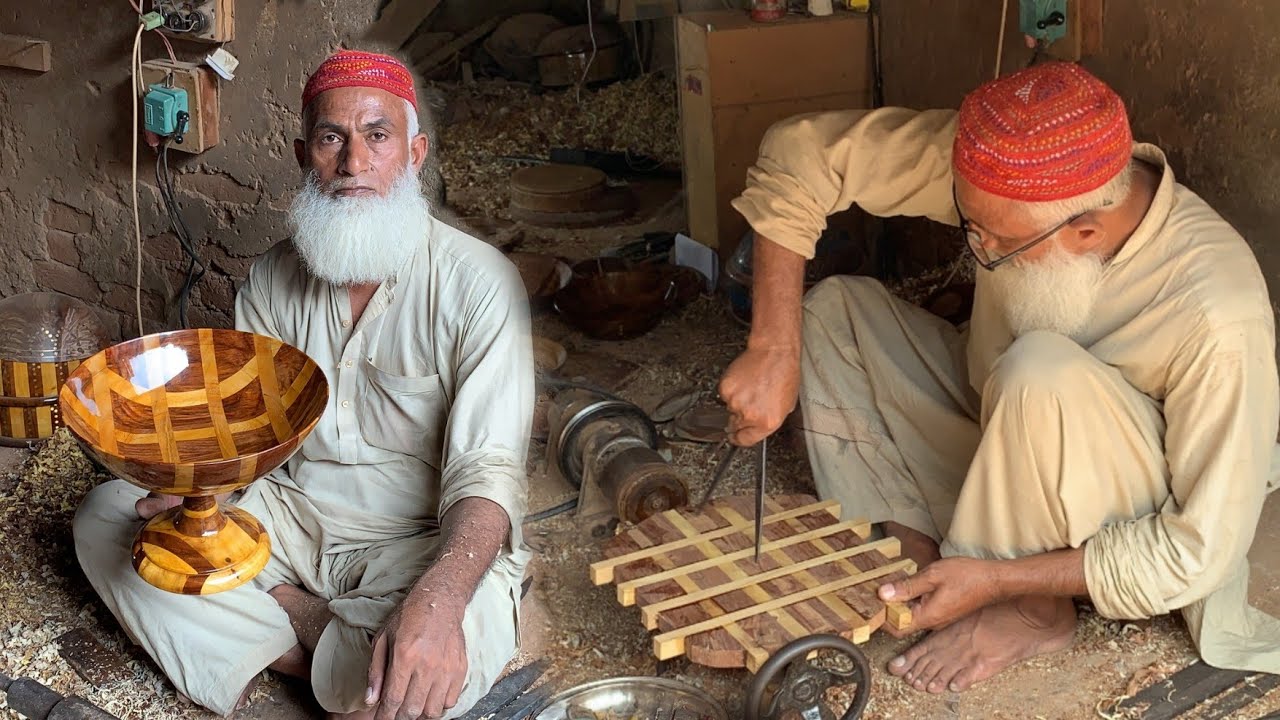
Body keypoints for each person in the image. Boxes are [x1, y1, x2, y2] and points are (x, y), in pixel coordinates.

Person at [719, 61, 1280, 696]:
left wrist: (1001, 582)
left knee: (1040, 367)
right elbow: (800, 150)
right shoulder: (1013, 172)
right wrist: (773, 343)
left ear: (1085, 231)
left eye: (994, 243)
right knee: (832, 313)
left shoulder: (1218, 313)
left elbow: (1198, 553)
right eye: (969, 225)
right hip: (993, 414)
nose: (975, 249)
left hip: (1110, 508)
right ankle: (920, 539)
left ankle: (1032, 610)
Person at [73, 50, 534, 720]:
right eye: (331, 139)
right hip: (287, 519)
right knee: (107, 521)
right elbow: (249, 437)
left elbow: (488, 473)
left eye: (378, 136)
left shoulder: (479, 285)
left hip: (417, 541)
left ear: (415, 153)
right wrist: (202, 491)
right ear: (302, 154)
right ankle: (330, 652)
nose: (354, 163)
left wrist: (438, 599)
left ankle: (289, 636)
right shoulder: (270, 280)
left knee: (442, 654)